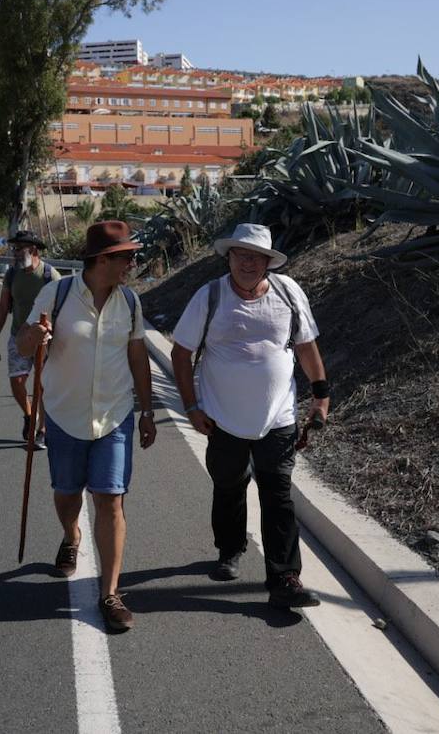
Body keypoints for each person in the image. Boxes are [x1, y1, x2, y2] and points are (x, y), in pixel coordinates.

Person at [170, 222, 330, 610]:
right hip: (221, 417)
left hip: (277, 417)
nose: (248, 263)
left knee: (277, 493)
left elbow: (305, 346)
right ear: (229, 258)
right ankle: (230, 549)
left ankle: (284, 577)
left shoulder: (288, 292)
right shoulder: (209, 297)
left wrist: (321, 395)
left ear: (268, 262)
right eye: (241, 255)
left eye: (256, 256)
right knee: (228, 484)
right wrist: (191, 407)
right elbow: (180, 353)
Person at [19, 220, 155, 633]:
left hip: (114, 416)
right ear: (101, 259)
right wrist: (36, 334)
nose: (132, 262)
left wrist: (146, 411)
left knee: (111, 500)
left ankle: (109, 593)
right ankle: (71, 534)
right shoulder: (56, 293)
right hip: (63, 413)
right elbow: (24, 348)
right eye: (126, 256)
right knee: (66, 493)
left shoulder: (130, 302)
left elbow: (137, 358)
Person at [0, 229, 60, 449]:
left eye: (19, 249)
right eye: (14, 248)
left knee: (43, 385)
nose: (15, 253)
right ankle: (29, 416)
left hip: (45, 340)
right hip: (18, 335)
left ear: (33, 249)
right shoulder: (12, 275)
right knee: (17, 382)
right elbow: (3, 306)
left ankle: (42, 429)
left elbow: (61, 309)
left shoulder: (50, 276)